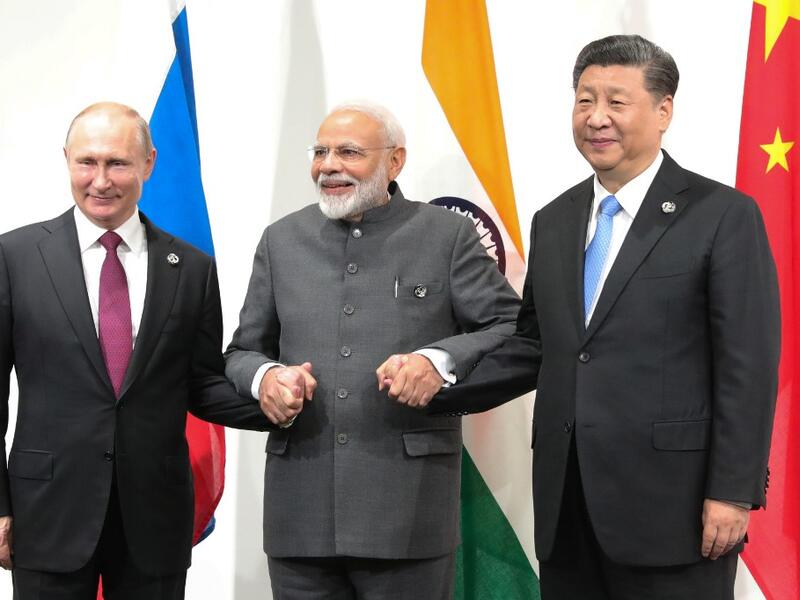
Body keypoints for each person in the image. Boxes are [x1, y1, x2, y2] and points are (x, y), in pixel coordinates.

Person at [428, 35, 780, 599]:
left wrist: (733, 492)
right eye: (584, 99)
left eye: (616, 102)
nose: (596, 118)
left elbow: (748, 365)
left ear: (664, 110)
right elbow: (536, 347)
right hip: (567, 510)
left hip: (677, 512)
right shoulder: (556, 219)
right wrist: (436, 375)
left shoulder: (722, 215)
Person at [224, 101, 520, 599]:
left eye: (349, 152)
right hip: (301, 512)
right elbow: (241, 351)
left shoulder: (446, 236)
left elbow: (510, 326)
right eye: (320, 152)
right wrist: (266, 378)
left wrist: (437, 361)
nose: (328, 165)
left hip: (408, 510)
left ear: (395, 162)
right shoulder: (281, 241)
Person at [0, 102, 272, 600]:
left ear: (149, 163)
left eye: (118, 163)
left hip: (154, 519)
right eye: (87, 162)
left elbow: (202, 384)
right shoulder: (13, 257)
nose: (100, 180)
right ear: (67, 160)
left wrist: (279, 404)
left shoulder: (191, 269)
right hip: (45, 512)